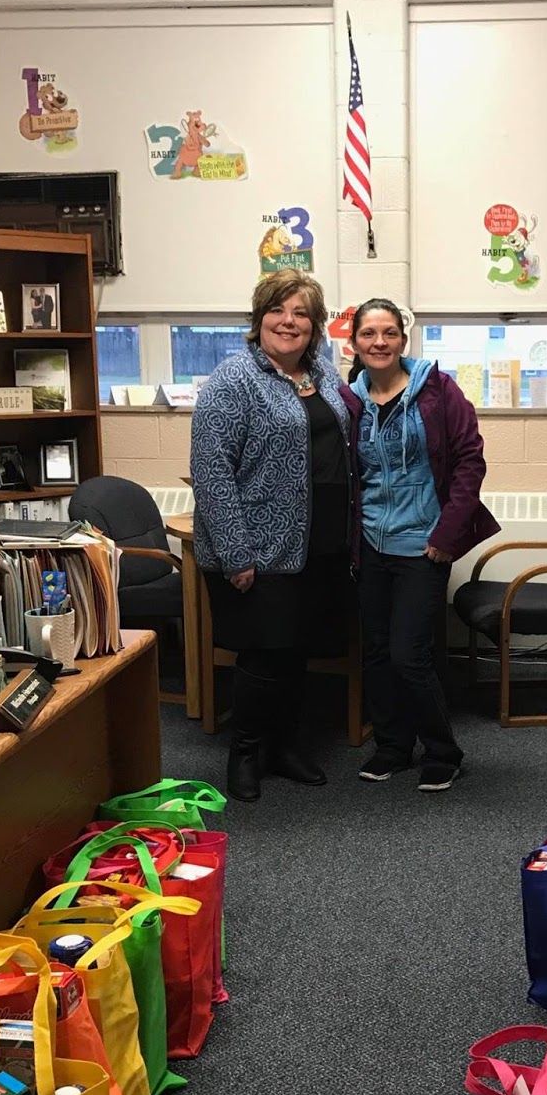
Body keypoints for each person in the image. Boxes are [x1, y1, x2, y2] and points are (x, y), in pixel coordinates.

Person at [190, 272, 351, 803]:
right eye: (278, 310)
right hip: (258, 546)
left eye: (301, 313)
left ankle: (284, 747)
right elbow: (212, 472)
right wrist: (237, 553)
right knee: (263, 656)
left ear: (316, 325)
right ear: (258, 319)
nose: (289, 321)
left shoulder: (324, 375)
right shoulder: (232, 380)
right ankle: (245, 752)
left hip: (318, 544)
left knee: (296, 652)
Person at [340, 300, 498, 791]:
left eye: (389, 333)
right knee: (378, 653)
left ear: (403, 341)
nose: (379, 342)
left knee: (411, 654)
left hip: (423, 545)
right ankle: (392, 745)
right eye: (369, 334)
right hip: (369, 544)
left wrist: (447, 535)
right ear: (355, 343)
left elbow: (470, 460)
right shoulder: (348, 398)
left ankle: (442, 750)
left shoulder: (437, 390)